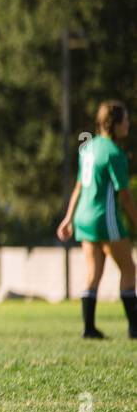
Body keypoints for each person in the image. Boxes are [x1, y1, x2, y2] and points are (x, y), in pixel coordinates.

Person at [57, 100, 137, 339]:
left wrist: (68, 218)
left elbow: (79, 186)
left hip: (84, 217)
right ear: (115, 124)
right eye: (126, 120)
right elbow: (124, 196)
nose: (129, 124)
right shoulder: (114, 153)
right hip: (105, 218)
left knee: (93, 274)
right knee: (129, 269)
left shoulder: (88, 148)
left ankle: (89, 328)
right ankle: (134, 328)